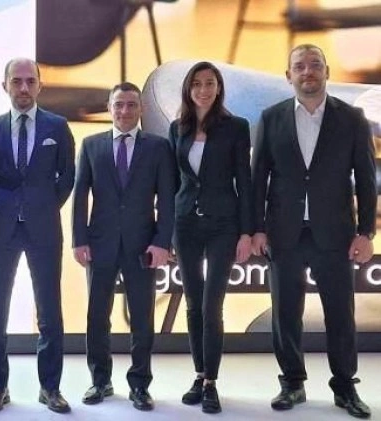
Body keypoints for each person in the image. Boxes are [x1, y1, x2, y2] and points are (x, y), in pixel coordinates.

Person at [251, 44, 376, 419]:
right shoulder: (271, 118)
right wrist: (256, 229)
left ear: (326, 72)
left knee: (340, 314)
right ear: (288, 75)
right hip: (283, 232)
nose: (308, 72)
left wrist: (366, 232)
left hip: (335, 234)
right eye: (300, 66)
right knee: (285, 314)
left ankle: (345, 387)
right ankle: (292, 383)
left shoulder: (352, 118)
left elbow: (366, 179)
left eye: (315, 65)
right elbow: (258, 180)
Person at [0, 58, 75, 414]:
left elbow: (67, 177)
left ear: (39, 85)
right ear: (4, 85)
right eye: (16, 81)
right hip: (1, 228)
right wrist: (1, 206)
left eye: (29, 81)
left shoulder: (57, 126)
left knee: (49, 309)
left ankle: (50, 387)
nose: (23, 88)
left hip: (44, 227)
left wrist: (43, 206)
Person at [72, 82, 175, 411]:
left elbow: (167, 200)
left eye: (132, 104)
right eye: (119, 104)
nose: (125, 111)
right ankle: (100, 380)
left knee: (142, 318)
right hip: (99, 244)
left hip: (142, 246)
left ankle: (140, 384)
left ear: (141, 108)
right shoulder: (91, 145)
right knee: (96, 317)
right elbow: (80, 196)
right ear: (110, 108)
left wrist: (162, 242)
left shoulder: (158, 147)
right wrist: (79, 240)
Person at [168, 61, 253, 414]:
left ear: (219, 88)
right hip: (185, 223)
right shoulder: (177, 128)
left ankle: (211, 383)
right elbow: (173, 183)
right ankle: (199, 374)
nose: (203, 90)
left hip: (223, 225)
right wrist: (167, 230)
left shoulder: (236, 127)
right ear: (188, 89)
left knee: (211, 305)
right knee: (192, 303)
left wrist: (246, 231)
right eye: (197, 84)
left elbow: (245, 182)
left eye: (210, 83)